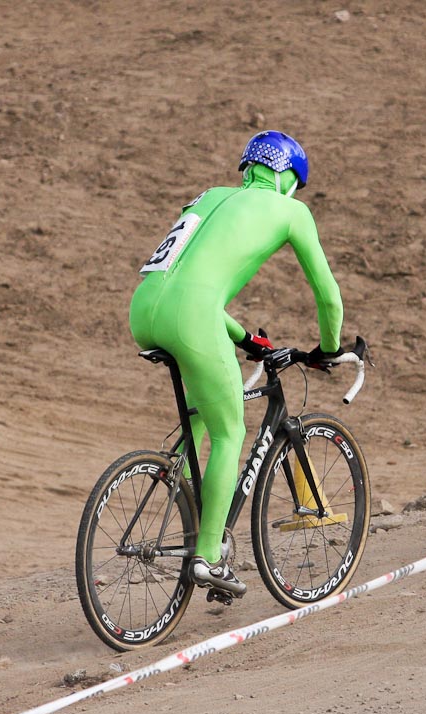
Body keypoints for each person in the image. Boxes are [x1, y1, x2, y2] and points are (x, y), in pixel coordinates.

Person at [129, 130, 344, 597]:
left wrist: (245, 337)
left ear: (248, 170)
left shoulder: (209, 197)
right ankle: (207, 558)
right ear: (288, 179)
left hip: (145, 310)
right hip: (194, 318)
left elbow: (186, 283)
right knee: (231, 433)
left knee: (206, 409)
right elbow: (328, 295)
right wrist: (329, 347)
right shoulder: (292, 210)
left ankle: (183, 490)